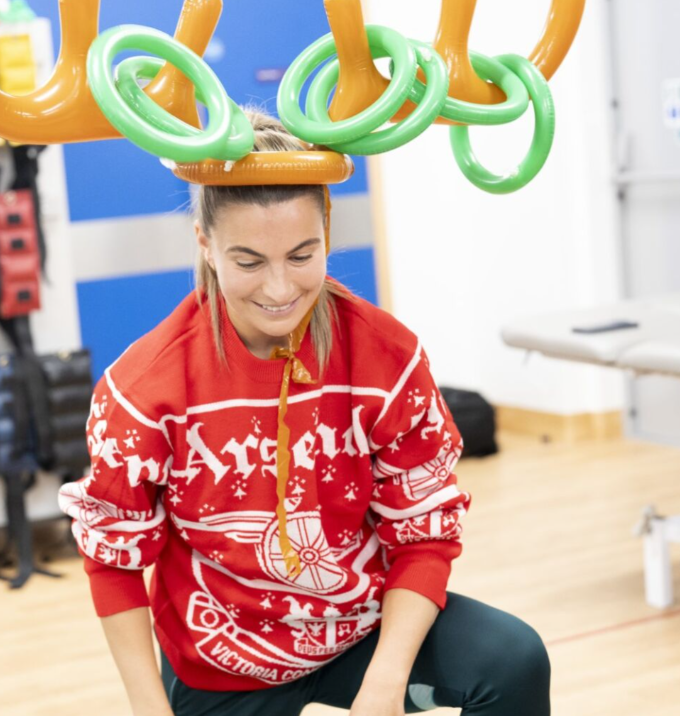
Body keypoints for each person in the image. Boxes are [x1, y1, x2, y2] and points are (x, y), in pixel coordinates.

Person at [58, 111, 550, 716]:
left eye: (301, 254)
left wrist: (385, 683)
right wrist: (149, 709)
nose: (279, 288)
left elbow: (425, 534)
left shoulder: (386, 357)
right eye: (248, 261)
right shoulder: (142, 388)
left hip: (361, 630)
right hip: (222, 664)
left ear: (326, 232)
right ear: (205, 246)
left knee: (514, 659)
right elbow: (112, 562)